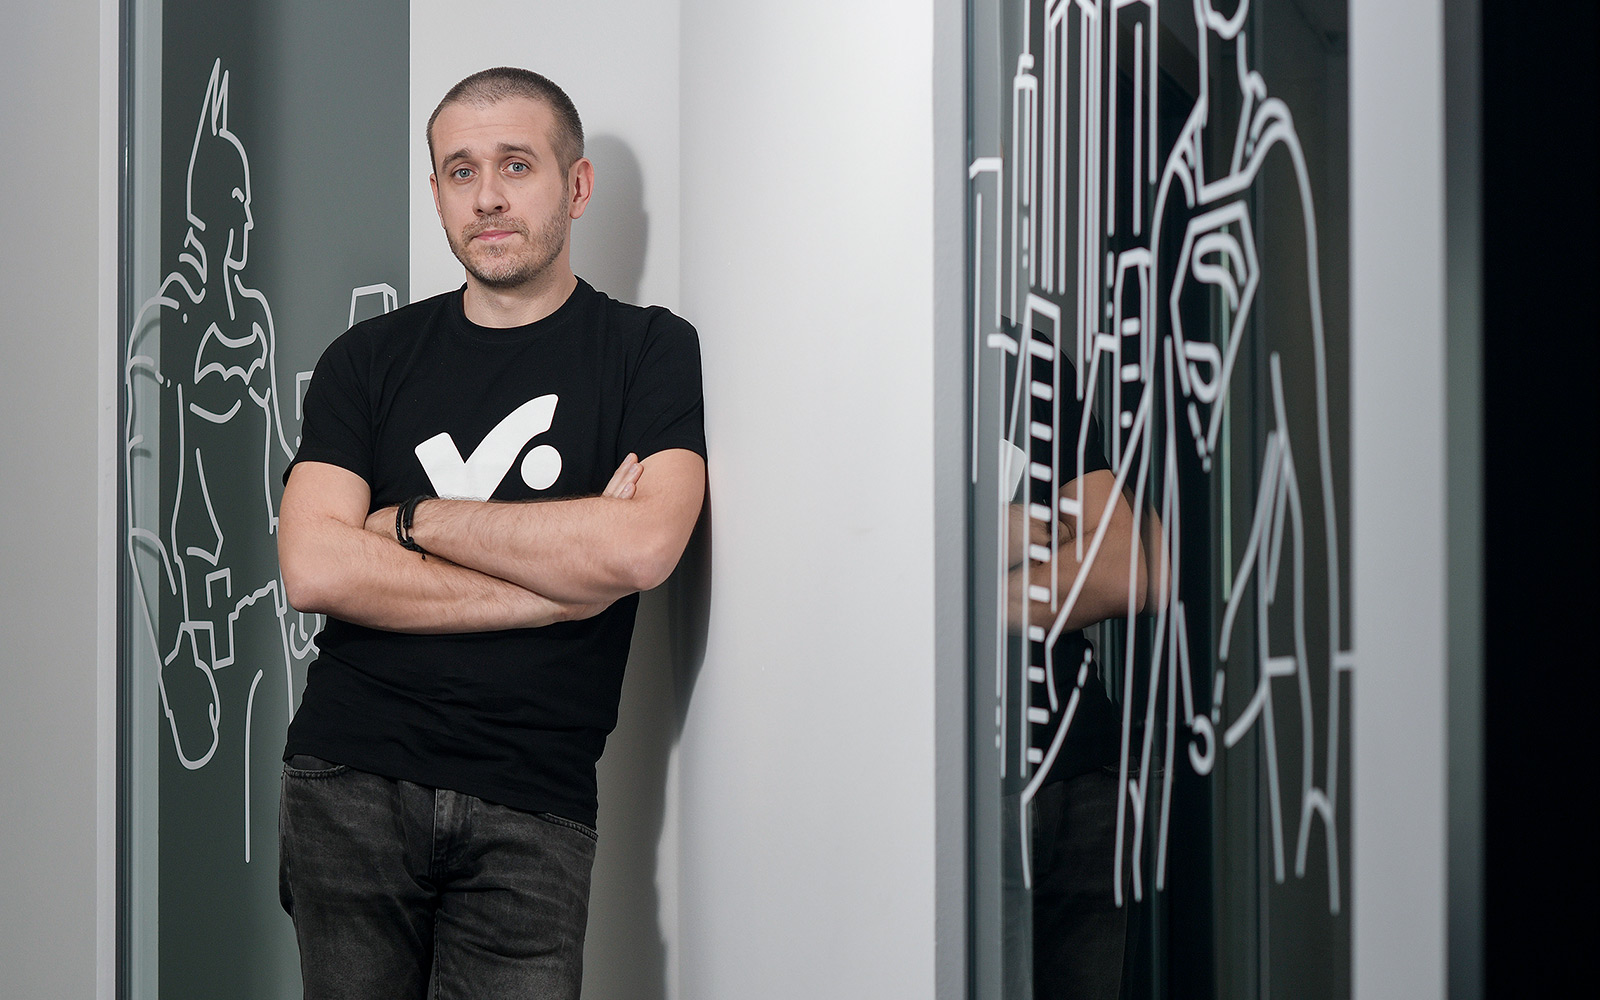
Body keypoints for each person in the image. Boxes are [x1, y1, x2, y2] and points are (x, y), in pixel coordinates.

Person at [275, 67, 706, 1000]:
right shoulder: (365, 361)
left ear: (576, 186)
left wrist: (414, 522)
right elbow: (314, 566)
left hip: (534, 802)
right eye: (461, 171)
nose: (488, 197)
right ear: (436, 193)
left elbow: (640, 549)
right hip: (350, 779)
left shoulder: (649, 350)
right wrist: (553, 590)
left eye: (516, 164)